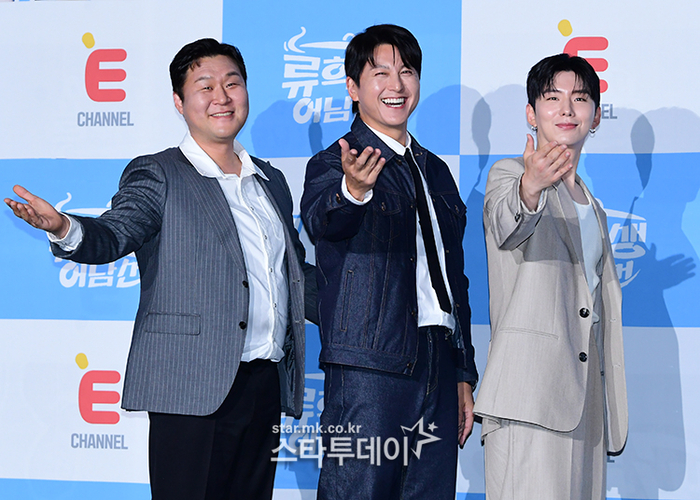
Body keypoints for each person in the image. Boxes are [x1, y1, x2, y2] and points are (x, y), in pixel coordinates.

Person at [5, 38, 317, 500]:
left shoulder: (269, 180)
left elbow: (294, 277)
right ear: (179, 102)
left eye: (232, 83)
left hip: (264, 384)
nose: (222, 97)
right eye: (205, 86)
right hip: (191, 385)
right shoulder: (159, 173)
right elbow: (116, 232)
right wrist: (66, 228)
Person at [300, 24, 477, 500]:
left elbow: (453, 278)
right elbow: (323, 221)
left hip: (439, 359)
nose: (396, 85)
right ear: (353, 87)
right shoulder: (335, 163)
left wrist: (463, 371)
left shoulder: (435, 170)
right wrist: (353, 190)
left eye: (407, 72)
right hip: (370, 367)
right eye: (380, 73)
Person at [473, 53, 628, 499]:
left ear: (595, 116)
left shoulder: (593, 206)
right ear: (531, 113)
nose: (566, 109)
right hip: (530, 398)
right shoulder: (510, 174)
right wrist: (531, 186)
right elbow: (506, 221)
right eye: (552, 97)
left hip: (584, 403)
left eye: (579, 98)